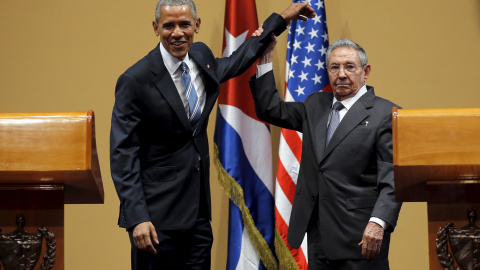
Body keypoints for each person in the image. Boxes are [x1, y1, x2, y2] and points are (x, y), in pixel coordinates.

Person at [109, 0, 315, 269]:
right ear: (155, 28)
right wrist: (137, 218)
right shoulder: (135, 80)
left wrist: (284, 18)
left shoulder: (201, 58)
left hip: (196, 217)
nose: (177, 33)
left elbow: (239, 58)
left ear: (197, 25)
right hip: (155, 220)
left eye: (184, 24)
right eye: (168, 26)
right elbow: (123, 154)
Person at [249, 37, 402, 269]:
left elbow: (393, 177)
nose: (341, 74)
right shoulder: (315, 105)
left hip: (361, 238)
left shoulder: (385, 114)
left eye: (350, 67)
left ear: (365, 71)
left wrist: (379, 222)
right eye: (334, 67)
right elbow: (271, 109)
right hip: (318, 236)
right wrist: (266, 57)